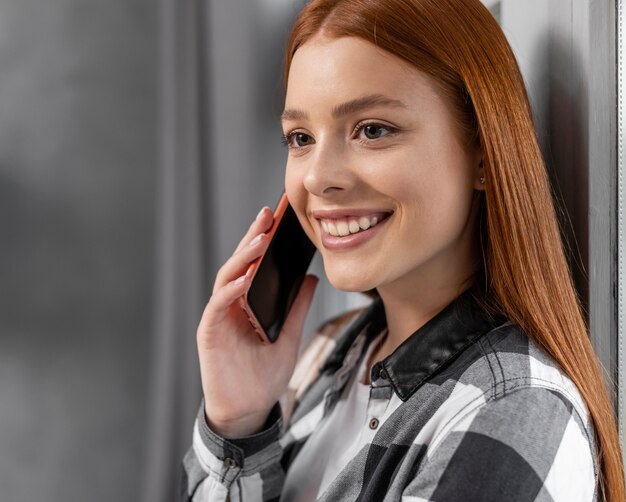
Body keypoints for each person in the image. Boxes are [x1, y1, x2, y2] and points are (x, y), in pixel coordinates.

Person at [179, 0, 625, 500]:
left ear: (483, 151)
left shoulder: (513, 411)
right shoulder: (332, 350)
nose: (319, 179)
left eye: (372, 130)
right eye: (300, 137)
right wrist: (238, 422)